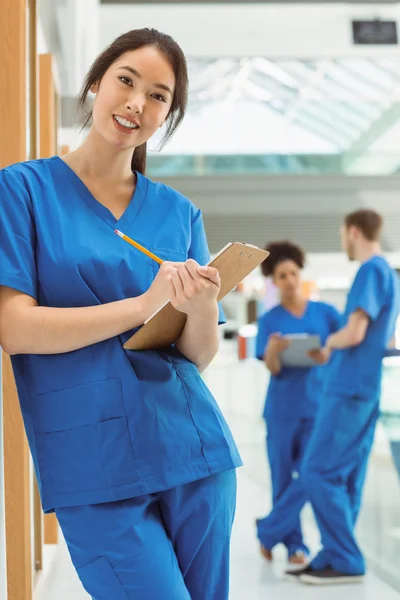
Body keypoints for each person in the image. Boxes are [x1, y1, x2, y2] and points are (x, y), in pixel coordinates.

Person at [0, 29, 242, 600]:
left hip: (194, 449)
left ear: (168, 116)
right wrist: (141, 305)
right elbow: (14, 327)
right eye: (126, 81)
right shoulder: (23, 191)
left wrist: (200, 306)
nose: (137, 102)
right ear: (95, 84)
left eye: (158, 96)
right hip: (91, 462)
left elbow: (197, 354)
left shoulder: (180, 213)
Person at [258, 210, 400, 586]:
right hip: (355, 389)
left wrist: (325, 343)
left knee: (318, 472)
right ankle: (332, 553)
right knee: (339, 474)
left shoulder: (369, 271)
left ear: (352, 231)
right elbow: (382, 339)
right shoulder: (387, 273)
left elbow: (353, 334)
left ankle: (342, 556)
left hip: (345, 389)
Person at [255, 241, 341, 566]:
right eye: (282, 276)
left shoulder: (326, 313)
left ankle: (268, 530)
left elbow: (345, 344)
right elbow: (272, 368)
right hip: (281, 411)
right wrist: (275, 351)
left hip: (316, 409)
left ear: (299, 274)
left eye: (292, 273)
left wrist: (328, 352)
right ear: (274, 282)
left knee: (309, 474)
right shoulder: (269, 321)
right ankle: (295, 545)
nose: (289, 280)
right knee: (281, 477)